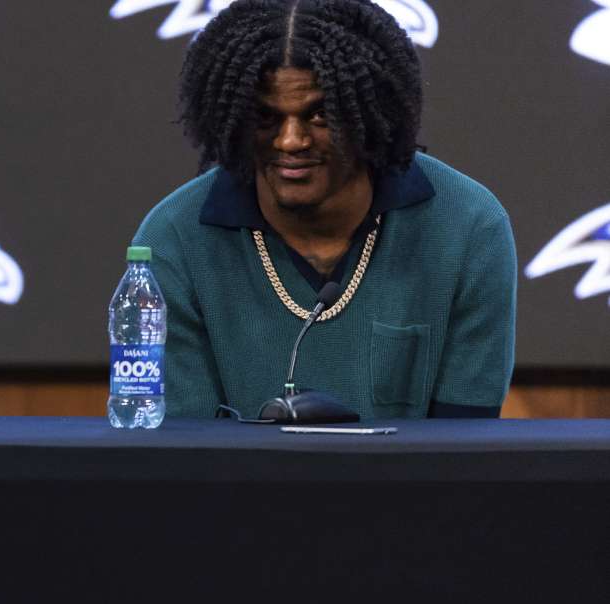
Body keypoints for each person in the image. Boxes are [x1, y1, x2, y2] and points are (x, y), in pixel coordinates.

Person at [133, 0, 516, 420]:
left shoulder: (468, 225)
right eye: (265, 117)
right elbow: (183, 454)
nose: (291, 140)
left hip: (417, 487)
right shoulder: (174, 238)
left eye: (319, 114)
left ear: (371, 113)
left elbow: (467, 453)